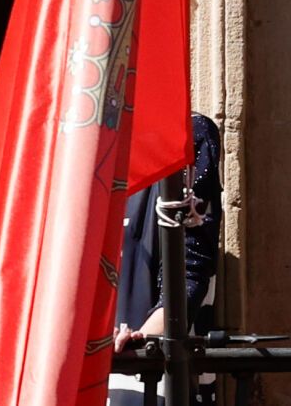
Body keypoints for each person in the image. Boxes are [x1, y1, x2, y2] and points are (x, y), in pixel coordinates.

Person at [109, 113, 224, 406]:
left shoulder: (186, 134)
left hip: (143, 374)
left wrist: (139, 344)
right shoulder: (74, 144)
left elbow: (190, 270)